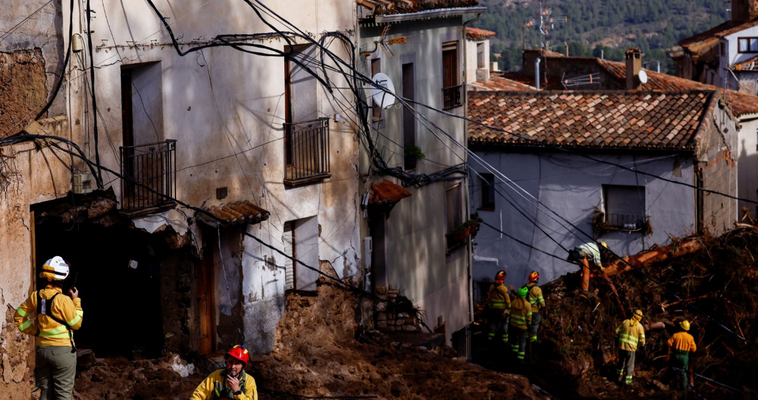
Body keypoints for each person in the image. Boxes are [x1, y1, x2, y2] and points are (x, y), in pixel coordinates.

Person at [14, 256, 83, 400]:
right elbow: (76, 323)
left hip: (42, 351)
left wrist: (36, 332)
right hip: (63, 352)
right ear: (62, 279)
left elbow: (19, 318)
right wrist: (76, 301)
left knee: (45, 393)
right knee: (63, 394)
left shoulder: (35, 296)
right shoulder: (63, 300)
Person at [191, 345, 258, 400]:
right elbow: (198, 395)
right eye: (230, 362)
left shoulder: (249, 381)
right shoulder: (216, 376)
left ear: (242, 366)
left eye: (237, 364)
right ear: (226, 362)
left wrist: (237, 391)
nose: (233, 366)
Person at [615, 309, 646, 385]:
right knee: (630, 364)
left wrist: (617, 339)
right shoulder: (640, 327)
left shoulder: (625, 322)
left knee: (621, 362)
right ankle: (627, 381)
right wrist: (642, 345)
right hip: (631, 349)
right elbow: (642, 340)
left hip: (622, 346)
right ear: (640, 318)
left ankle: (618, 377)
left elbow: (616, 331)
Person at [667, 320, 697, 391]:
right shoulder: (690, 337)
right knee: (683, 372)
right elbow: (694, 349)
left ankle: (671, 385)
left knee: (673, 369)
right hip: (684, 357)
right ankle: (683, 388)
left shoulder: (675, 335)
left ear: (681, 327)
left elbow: (669, 343)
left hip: (675, 355)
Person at [485, 270, 511, 344]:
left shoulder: (491, 287)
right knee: (504, 323)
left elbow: (489, 298)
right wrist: (509, 308)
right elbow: (507, 300)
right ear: (503, 279)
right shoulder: (504, 288)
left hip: (493, 309)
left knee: (493, 323)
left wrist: (490, 306)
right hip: (502, 310)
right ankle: (504, 339)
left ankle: (490, 338)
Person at [509, 286, 532, 364]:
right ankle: (520, 359)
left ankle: (513, 355)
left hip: (513, 326)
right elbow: (529, 318)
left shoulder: (513, 302)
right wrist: (529, 325)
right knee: (522, 342)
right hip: (523, 327)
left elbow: (510, 313)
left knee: (515, 341)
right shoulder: (527, 305)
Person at [525, 271, 546, 343]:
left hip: (525, 310)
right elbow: (541, 300)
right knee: (535, 324)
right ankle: (533, 339)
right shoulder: (537, 289)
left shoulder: (525, 287)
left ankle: (527, 336)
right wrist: (543, 306)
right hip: (534, 310)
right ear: (537, 279)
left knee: (527, 323)